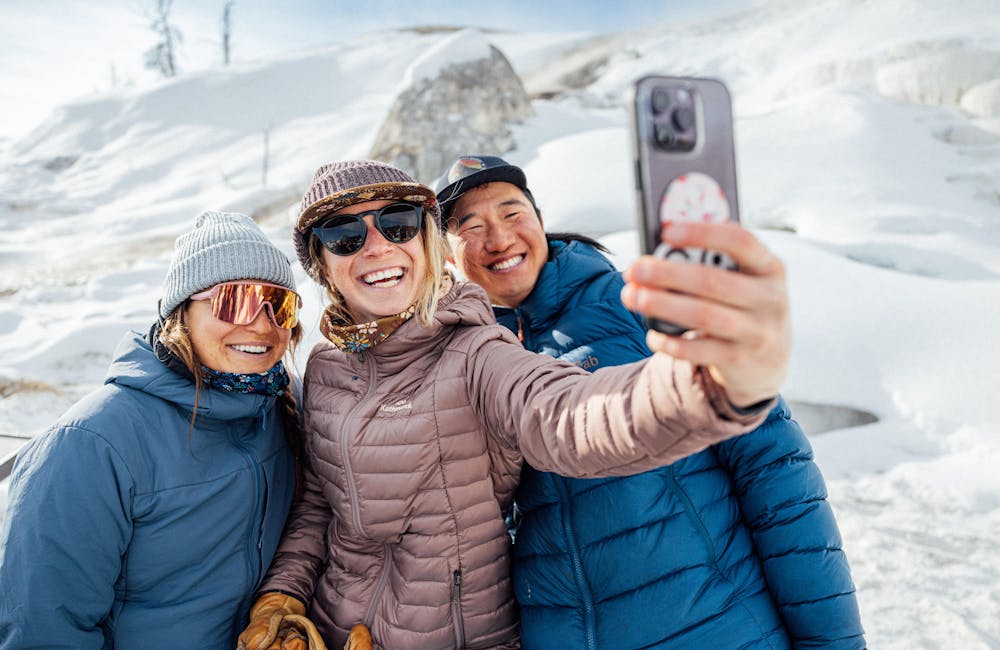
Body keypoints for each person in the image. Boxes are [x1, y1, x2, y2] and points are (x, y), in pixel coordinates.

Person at [238, 159, 789, 650]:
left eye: (398, 223)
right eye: (343, 235)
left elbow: (568, 416)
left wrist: (707, 383)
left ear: (426, 243)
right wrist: (283, 600)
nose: (378, 245)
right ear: (322, 265)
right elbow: (320, 505)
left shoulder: (475, 350)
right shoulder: (328, 366)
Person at [436, 154, 866, 649]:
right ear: (447, 255)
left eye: (513, 214)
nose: (499, 238)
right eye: (470, 226)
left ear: (539, 222)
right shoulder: (459, 362)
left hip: (720, 630)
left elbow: (778, 477)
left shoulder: (640, 307)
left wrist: (832, 642)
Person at [0, 211, 305, 648]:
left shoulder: (283, 404)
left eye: (279, 304)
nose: (261, 323)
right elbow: (43, 631)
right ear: (181, 312)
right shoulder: (90, 447)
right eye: (235, 300)